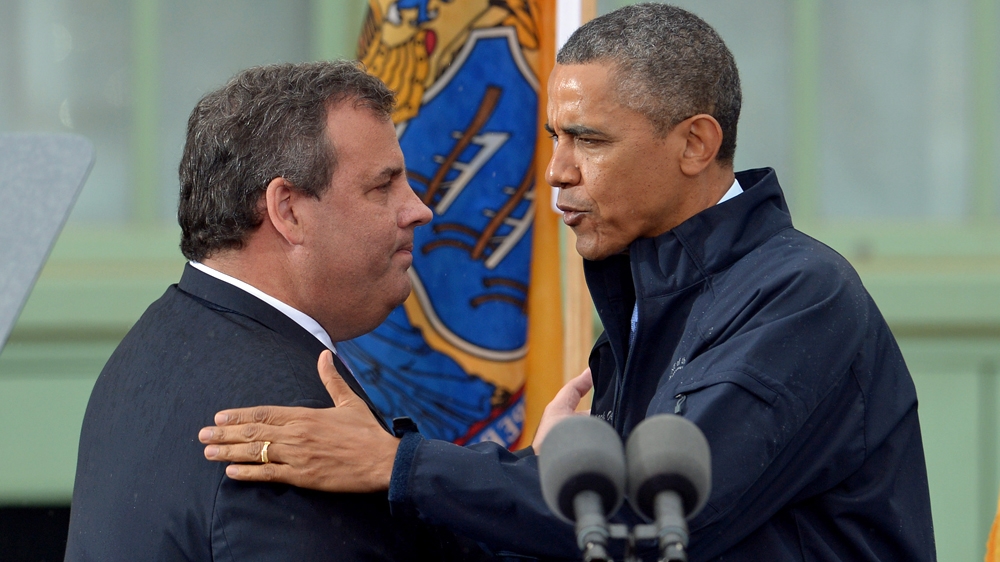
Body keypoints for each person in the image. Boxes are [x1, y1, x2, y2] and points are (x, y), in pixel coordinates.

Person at [198, 4, 937, 560]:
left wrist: (398, 464)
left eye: (588, 139)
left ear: (695, 143)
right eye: (555, 137)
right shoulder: (648, 291)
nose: (555, 171)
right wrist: (538, 473)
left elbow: (658, 519)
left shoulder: (801, 296)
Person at [65, 61, 490, 561]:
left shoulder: (146, 348)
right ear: (287, 210)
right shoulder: (292, 425)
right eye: (383, 186)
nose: (418, 209)